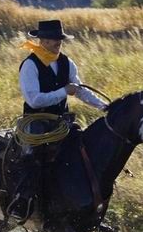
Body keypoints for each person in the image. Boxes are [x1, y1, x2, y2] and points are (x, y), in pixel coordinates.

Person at [9, 19, 108, 220]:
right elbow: (34, 100)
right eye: (54, 39)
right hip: (36, 120)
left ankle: (85, 205)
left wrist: (104, 106)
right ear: (42, 40)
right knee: (33, 156)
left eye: (59, 39)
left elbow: (80, 91)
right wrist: (64, 91)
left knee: (84, 151)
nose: (58, 43)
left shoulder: (66, 62)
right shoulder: (30, 65)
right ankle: (22, 201)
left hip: (61, 121)